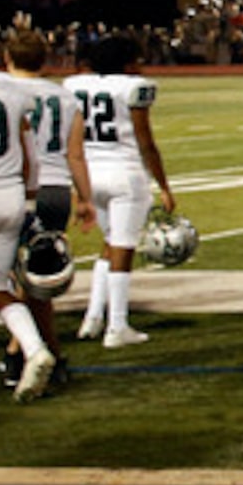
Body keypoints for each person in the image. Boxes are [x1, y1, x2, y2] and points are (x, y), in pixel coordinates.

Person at [65, 34, 174, 349]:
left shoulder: (75, 85)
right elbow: (145, 142)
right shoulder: (132, 88)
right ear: (126, 62)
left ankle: (93, 318)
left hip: (89, 174)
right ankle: (118, 325)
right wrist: (164, 185)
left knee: (110, 246)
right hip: (124, 174)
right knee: (123, 248)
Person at [0, 29, 78, 389]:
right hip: (49, 187)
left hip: (13, 186)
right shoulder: (59, 96)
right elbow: (69, 153)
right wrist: (86, 198)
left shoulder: (11, 91)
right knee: (34, 283)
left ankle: (27, 352)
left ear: (8, 58)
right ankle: (30, 352)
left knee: (10, 283)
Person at [0, 60, 60, 399]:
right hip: (10, 198)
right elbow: (29, 155)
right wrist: (30, 199)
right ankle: (33, 350)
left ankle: (33, 350)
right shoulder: (14, 92)